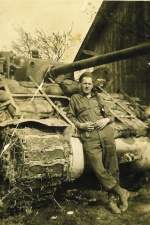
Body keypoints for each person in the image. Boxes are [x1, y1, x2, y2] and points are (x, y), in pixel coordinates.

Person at [67, 72, 129, 214]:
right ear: (80, 84)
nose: (87, 86)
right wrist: (81, 126)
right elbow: (70, 116)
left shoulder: (98, 98)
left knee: (112, 167)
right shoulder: (75, 99)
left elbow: (110, 116)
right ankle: (121, 191)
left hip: (106, 134)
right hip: (89, 136)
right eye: (84, 83)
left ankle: (112, 200)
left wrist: (105, 120)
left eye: (89, 83)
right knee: (98, 169)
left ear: (92, 85)